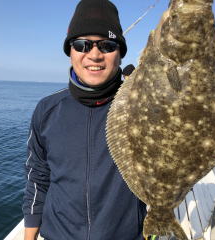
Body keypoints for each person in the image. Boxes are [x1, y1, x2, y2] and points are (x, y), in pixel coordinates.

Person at [22, 0, 147, 239]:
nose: (95, 55)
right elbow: (37, 176)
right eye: (82, 45)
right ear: (70, 51)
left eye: (108, 45)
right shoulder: (47, 110)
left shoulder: (142, 107)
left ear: (120, 54)